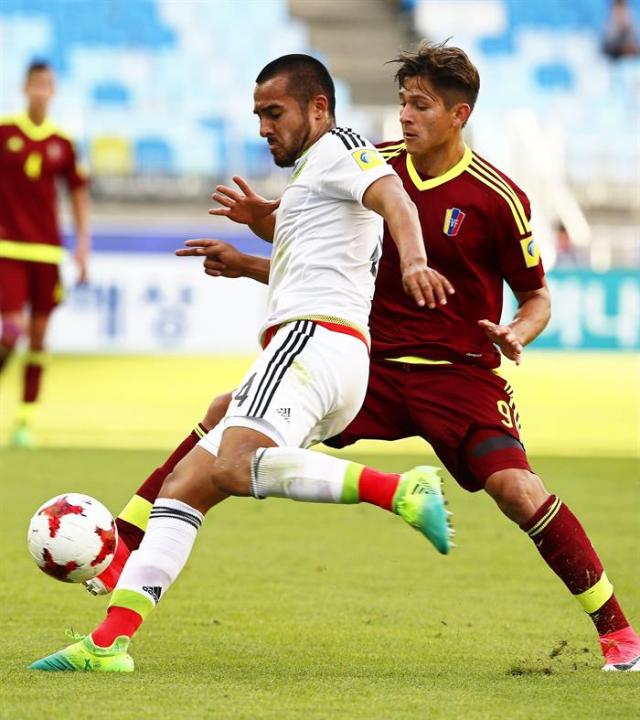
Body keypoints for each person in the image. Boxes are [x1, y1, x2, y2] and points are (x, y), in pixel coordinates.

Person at [90, 42, 638, 673]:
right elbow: (324, 258)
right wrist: (253, 251)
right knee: (228, 415)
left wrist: (519, 330)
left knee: (517, 491)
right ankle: (125, 540)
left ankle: (617, 630)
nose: (406, 116)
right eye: (404, 101)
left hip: (456, 374)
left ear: (459, 114)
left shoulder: (497, 197)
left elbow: (538, 295)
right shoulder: (372, 161)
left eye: (422, 105)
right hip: (370, 364)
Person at [29, 53, 455, 673]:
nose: (262, 127)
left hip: (310, 343)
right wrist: (255, 249)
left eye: (274, 112)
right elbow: (315, 260)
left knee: (230, 464)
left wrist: (414, 260)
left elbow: (397, 200)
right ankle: (108, 644)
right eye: (258, 114)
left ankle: (398, 489)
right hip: (333, 353)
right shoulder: (316, 170)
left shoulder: (343, 149)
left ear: (318, 106)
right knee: (185, 489)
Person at [0, 60, 90, 448]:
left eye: (47, 85)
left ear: (53, 91)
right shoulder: (5, 132)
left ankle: (25, 421)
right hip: (8, 248)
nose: (40, 91)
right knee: (12, 330)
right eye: (35, 84)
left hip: (47, 251)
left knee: (38, 339)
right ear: (25, 88)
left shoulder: (63, 143)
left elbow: (77, 194)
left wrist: (83, 245)